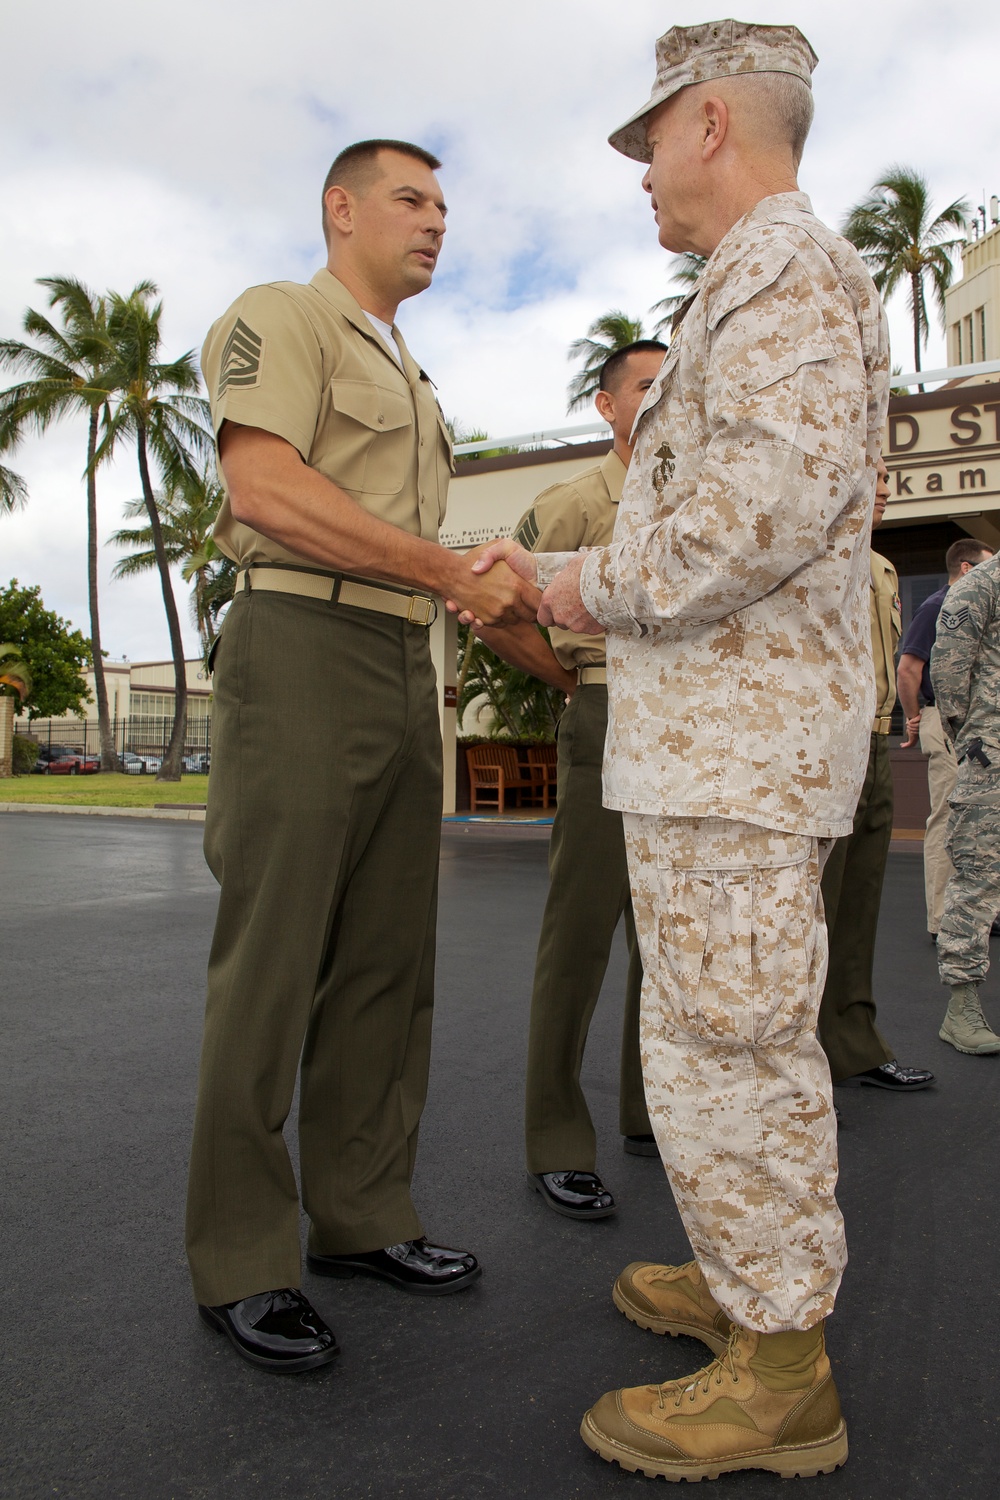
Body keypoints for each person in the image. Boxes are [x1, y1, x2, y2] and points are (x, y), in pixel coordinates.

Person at [467, 19, 887, 1481]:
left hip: (740, 751)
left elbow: (761, 507)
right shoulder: (748, 282)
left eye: (651, 138)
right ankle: (744, 1275)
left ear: (710, 120)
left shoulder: (781, 269)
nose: (644, 170)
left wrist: (579, 585)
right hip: (713, 740)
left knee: (739, 1041)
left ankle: (785, 1375)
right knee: (708, 1036)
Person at [188, 139, 538, 1374]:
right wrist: (450, 573)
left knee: (390, 962)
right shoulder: (284, 317)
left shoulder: (415, 371)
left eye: (446, 203)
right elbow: (265, 486)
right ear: (341, 209)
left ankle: (360, 1217)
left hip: (401, 659)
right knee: (274, 960)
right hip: (300, 635)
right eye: (411, 199)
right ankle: (242, 1255)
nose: (436, 221)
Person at [478, 342, 666, 1223]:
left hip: (684, 727)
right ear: (605, 404)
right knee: (581, 938)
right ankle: (556, 1139)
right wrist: (567, 684)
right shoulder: (576, 503)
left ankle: (649, 1117)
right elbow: (493, 608)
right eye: (646, 385)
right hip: (605, 714)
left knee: (666, 937)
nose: (665, 397)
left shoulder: (689, 495)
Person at [818, 458, 935, 1093]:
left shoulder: (885, 568)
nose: (886, 490)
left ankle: (855, 1045)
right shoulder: (815, 556)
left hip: (875, 742)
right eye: (875, 480)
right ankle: (797, 1054)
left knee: (861, 902)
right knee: (816, 909)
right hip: (824, 745)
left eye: (890, 482)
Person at [896, 538, 994, 937]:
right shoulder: (936, 606)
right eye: (989, 568)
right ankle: (941, 921)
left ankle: (982, 913)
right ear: (968, 569)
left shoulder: (980, 607)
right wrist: (916, 717)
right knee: (948, 820)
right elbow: (908, 669)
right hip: (948, 722)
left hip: (981, 725)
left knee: (984, 821)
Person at [930, 552, 1000, 1055]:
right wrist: (977, 738)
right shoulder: (980, 584)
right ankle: (962, 1006)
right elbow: (949, 672)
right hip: (993, 752)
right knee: (978, 872)